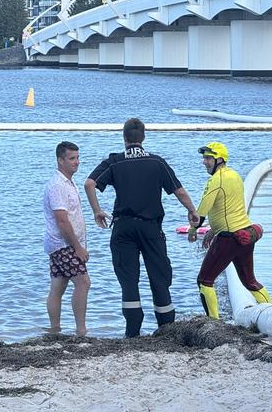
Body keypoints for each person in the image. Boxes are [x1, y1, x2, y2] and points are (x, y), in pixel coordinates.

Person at [84, 118, 198, 337]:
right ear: (143, 137)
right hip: (151, 228)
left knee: (128, 279)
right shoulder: (157, 162)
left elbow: (89, 183)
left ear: (124, 137)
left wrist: (97, 211)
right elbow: (179, 191)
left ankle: (133, 332)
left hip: (123, 228)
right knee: (159, 276)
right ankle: (166, 328)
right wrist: (192, 211)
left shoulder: (115, 161)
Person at [188, 142, 271, 319]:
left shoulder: (216, 180)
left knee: (204, 281)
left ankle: (214, 323)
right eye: (204, 158)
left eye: (208, 158)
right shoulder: (234, 175)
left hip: (228, 239)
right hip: (245, 236)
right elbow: (230, 209)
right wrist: (212, 230)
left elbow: (201, 211)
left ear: (219, 159)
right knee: (250, 281)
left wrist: (193, 229)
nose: (204, 162)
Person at [43, 141, 91, 336]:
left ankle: (55, 329)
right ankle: (81, 330)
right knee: (83, 282)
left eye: (78, 158)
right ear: (60, 160)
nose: (76, 162)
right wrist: (77, 247)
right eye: (72, 158)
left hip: (60, 243)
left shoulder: (69, 182)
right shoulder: (57, 185)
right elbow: (62, 220)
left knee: (58, 285)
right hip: (63, 244)